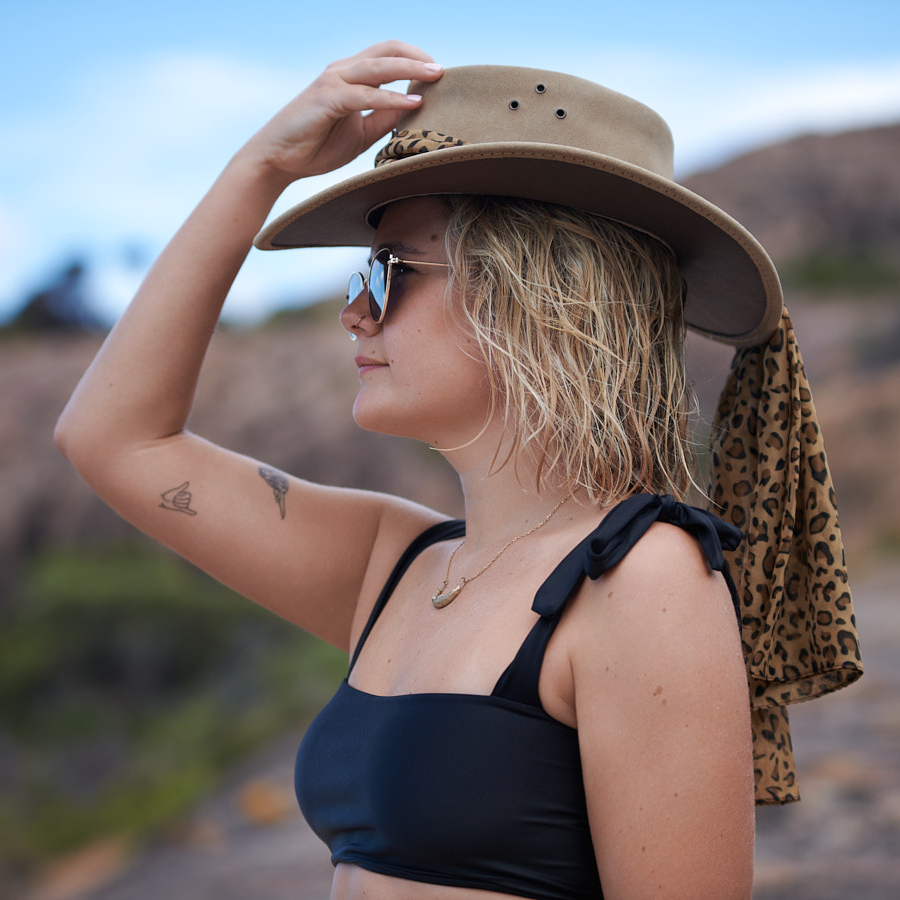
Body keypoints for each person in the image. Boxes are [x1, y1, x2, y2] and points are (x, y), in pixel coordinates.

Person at [56, 41, 854, 899]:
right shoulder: (395, 564)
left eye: (390, 271)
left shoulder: (641, 580)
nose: (353, 312)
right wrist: (259, 170)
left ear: (540, 295)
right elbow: (113, 440)